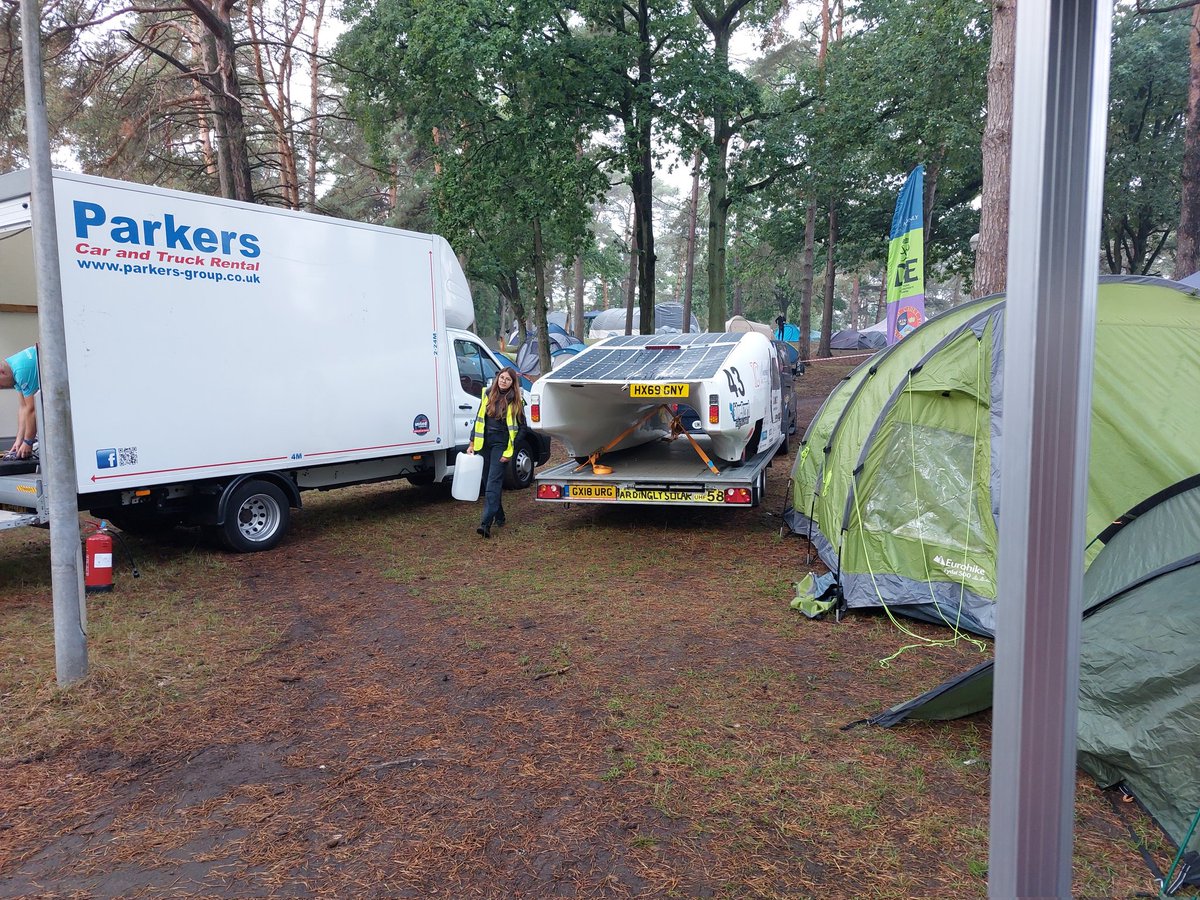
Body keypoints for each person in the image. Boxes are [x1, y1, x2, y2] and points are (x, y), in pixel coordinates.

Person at [467, 366, 522, 538]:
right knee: (488, 482)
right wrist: (471, 442)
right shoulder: (488, 394)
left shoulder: (516, 401)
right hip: (484, 444)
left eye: (508, 379)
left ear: (512, 383)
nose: (504, 381)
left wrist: (510, 451)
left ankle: (485, 524)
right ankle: (500, 516)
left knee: (493, 484)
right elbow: (478, 419)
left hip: (501, 445)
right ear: (498, 378)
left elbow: (523, 429)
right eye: (502, 377)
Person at [0, 345, 38, 460]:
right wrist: (19, 440)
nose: (1, 388)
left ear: (1, 372)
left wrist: (28, 442)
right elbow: (23, 407)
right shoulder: (12, 367)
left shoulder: (21, 371)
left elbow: (32, 409)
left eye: (0, 385)